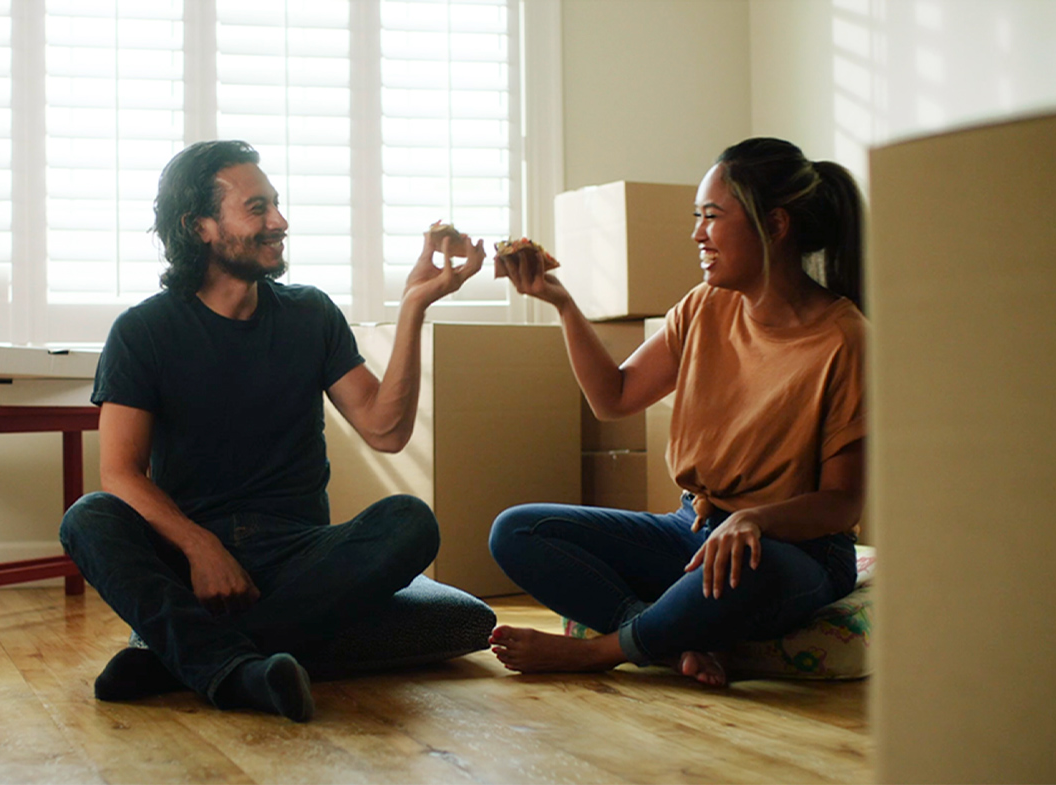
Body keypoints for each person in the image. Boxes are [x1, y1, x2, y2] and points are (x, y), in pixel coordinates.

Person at [60, 140, 495, 722]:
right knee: (87, 517)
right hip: (189, 551)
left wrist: (414, 307)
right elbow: (119, 472)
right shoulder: (144, 331)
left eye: (277, 205)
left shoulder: (311, 314)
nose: (279, 222)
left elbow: (385, 431)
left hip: (297, 552)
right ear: (202, 227)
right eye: (258, 208)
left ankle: (186, 659)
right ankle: (232, 660)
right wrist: (201, 547)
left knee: (409, 523)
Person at [488, 138, 866, 686]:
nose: (697, 234)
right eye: (697, 217)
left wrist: (755, 518)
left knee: (753, 572)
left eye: (712, 217)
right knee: (518, 531)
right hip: (693, 529)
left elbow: (842, 501)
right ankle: (659, 639)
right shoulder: (703, 306)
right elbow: (613, 397)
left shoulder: (845, 339)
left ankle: (602, 652)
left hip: (791, 550)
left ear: (776, 225)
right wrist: (562, 302)